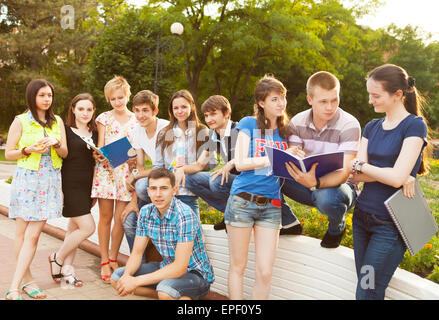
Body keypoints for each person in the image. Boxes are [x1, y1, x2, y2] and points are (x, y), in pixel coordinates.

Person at [351, 64, 429, 300]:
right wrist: (394, 173)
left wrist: (364, 166)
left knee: (367, 293)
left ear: (398, 94)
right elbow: (357, 176)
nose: (370, 101)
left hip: (389, 226)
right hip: (361, 219)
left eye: (376, 95)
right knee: (367, 289)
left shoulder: (414, 125)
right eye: (369, 94)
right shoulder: (372, 127)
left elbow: (389, 177)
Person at [225, 74, 290, 300]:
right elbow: (241, 163)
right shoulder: (248, 123)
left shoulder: (285, 131)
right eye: (274, 99)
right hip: (243, 200)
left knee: (265, 271)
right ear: (261, 103)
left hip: (272, 205)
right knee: (238, 267)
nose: (280, 103)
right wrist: (275, 158)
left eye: (282, 98)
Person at [4, 79, 68, 300]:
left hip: (49, 182)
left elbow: (65, 153)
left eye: (49, 95)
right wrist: (27, 149)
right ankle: (27, 281)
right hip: (26, 182)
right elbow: (9, 153)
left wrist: (57, 143)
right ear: (32, 96)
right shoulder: (20, 121)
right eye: (42, 95)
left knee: (32, 237)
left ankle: (13, 287)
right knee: (21, 236)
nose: (47, 99)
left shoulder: (57, 121)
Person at [283, 71, 361, 248]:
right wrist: (293, 154)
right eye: (323, 101)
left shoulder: (349, 124)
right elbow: (292, 158)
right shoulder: (297, 122)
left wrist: (316, 182)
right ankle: (288, 221)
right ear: (310, 99)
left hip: (339, 189)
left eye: (334, 100)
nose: (330, 107)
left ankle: (337, 227)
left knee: (326, 197)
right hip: (305, 181)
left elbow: (344, 174)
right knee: (266, 175)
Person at [110, 168, 215, 300]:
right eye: (153, 189)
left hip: (195, 275)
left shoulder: (184, 215)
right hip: (166, 267)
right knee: (117, 279)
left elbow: (180, 267)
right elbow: (137, 253)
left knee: (166, 290)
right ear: (148, 191)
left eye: (164, 188)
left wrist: (136, 281)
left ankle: (171, 295)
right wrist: (127, 276)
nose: (158, 194)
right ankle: (173, 296)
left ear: (174, 190)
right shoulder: (145, 212)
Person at [48, 93, 98, 287]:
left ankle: (68, 271)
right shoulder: (66, 130)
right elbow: (60, 157)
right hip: (69, 184)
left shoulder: (95, 132)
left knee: (74, 229)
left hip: (87, 185)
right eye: (81, 109)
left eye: (89, 109)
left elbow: (97, 159)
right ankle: (57, 257)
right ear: (73, 110)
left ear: (93, 111)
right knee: (87, 227)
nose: (85, 113)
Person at [91, 76, 137, 283]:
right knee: (106, 217)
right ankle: (103, 259)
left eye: (120, 97)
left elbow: (139, 149)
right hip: (106, 173)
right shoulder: (103, 118)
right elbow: (99, 146)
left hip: (126, 174)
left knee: (120, 219)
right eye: (113, 99)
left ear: (127, 96)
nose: (117, 102)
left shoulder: (137, 119)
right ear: (108, 100)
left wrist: (133, 157)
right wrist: (98, 154)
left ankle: (113, 258)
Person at [121, 90, 169, 253]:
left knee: (141, 186)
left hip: (170, 180)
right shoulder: (136, 132)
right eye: (137, 110)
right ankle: (138, 266)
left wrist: (134, 176)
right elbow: (140, 167)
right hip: (153, 182)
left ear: (155, 111)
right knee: (128, 221)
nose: (140, 115)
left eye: (145, 110)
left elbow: (164, 168)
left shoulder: (165, 128)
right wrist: (133, 201)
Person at [182, 95, 239, 231]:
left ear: (226, 113)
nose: (209, 120)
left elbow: (245, 158)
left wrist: (228, 165)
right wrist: (180, 169)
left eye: (213, 114)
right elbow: (199, 164)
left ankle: (236, 214)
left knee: (216, 180)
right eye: (206, 116)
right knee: (189, 179)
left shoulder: (238, 130)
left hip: (248, 179)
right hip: (233, 179)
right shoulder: (213, 134)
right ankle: (231, 213)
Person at [153, 90, 209, 215]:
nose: (180, 111)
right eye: (176, 108)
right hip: (168, 191)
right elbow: (158, 166)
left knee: (192, 232)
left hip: (189, 191)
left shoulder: (202, 130)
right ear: (171, 110)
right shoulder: (164, 133)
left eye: (184, 107)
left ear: (192, 107)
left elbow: (208, 164)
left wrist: (184, 169)